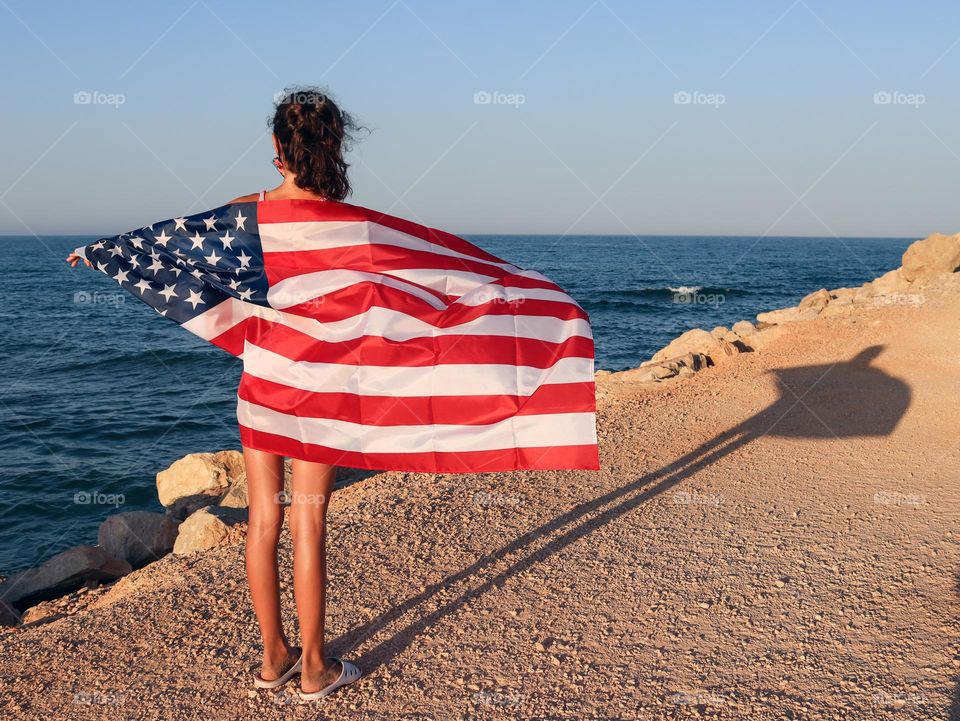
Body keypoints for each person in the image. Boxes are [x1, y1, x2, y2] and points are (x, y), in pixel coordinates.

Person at [68, 86, 598, 702]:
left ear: (276, 146)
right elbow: (413, 287)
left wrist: (105, 253)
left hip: (266, 384)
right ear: (336, 145)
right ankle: (314, 668)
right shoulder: (358, 229)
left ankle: (273, 659)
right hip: (319, 393)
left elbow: (175, 244)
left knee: (263, 520)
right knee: (309, 523)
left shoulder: (248, 216)